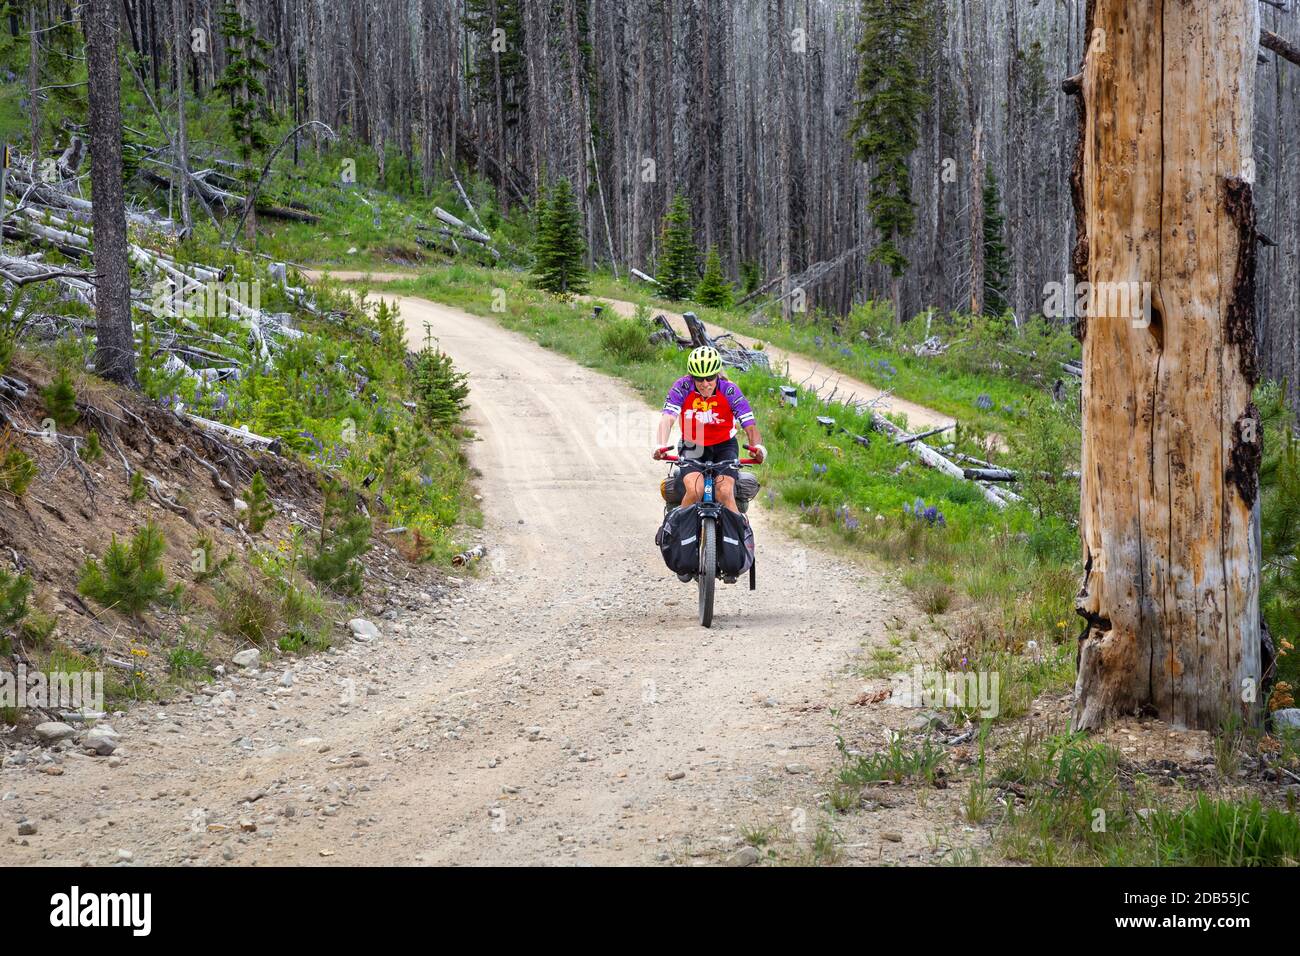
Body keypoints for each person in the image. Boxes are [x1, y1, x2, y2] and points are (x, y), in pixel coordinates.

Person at [653, 345, 767, 515]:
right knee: (695, 491)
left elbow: (749, 424)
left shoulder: (729, 390)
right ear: (692, 376)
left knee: (725, 492)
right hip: (692, 444)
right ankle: (676, 532)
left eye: (710, 377)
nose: (705, 384)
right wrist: (660, 445)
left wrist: (758, 447)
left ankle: (741, 537)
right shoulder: (682, 387)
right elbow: (668, 417)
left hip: (725, 446)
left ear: (717, 374)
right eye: (699, 379)